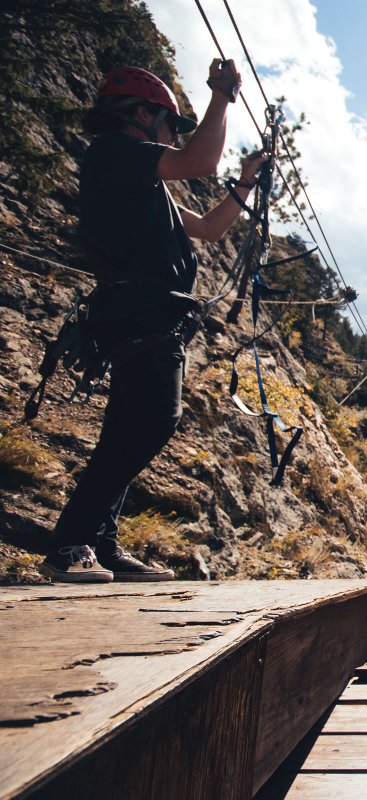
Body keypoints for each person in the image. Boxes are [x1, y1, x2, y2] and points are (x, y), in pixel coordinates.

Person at [39, 60, 267, 583]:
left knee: (127, 427)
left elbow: (209, 228)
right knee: (151, 423)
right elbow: (200, 161)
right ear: (142, 114)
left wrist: (246, 184)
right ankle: (70, 540)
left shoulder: (138, 180)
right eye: (169, 123)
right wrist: (221, 97)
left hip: (148, 315)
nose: (171, 135)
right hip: (140, 312)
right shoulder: (115, 154)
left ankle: (100, 542)